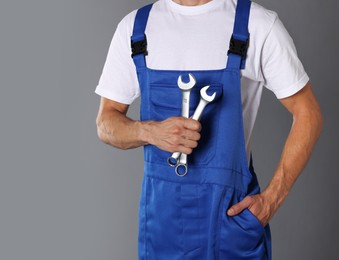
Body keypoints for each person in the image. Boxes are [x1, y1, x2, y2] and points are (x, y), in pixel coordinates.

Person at [95, 0, 323, 259]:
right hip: (162, 228)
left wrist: (271, 200)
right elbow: (106, 123)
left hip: (230, 224)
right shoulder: (136, 29)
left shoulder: (256, 24)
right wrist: (150, 132)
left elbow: (309, 114)